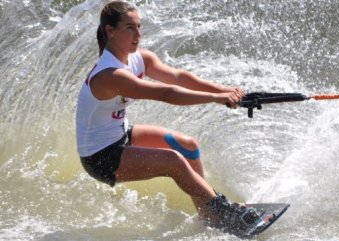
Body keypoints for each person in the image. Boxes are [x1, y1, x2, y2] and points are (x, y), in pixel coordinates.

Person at [75, 0, 260, 234]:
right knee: (173, 161)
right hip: (101, 158)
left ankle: (207, 213)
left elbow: (179, 78)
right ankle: (221, 210)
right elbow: (166, 93)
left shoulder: (139, 58)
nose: (138, 34)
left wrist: (226, 91)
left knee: (188, 146)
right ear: (110, 31)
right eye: (130, 28)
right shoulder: (110, 75)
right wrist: (216, 99)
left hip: (121, 135)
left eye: (139, 27)